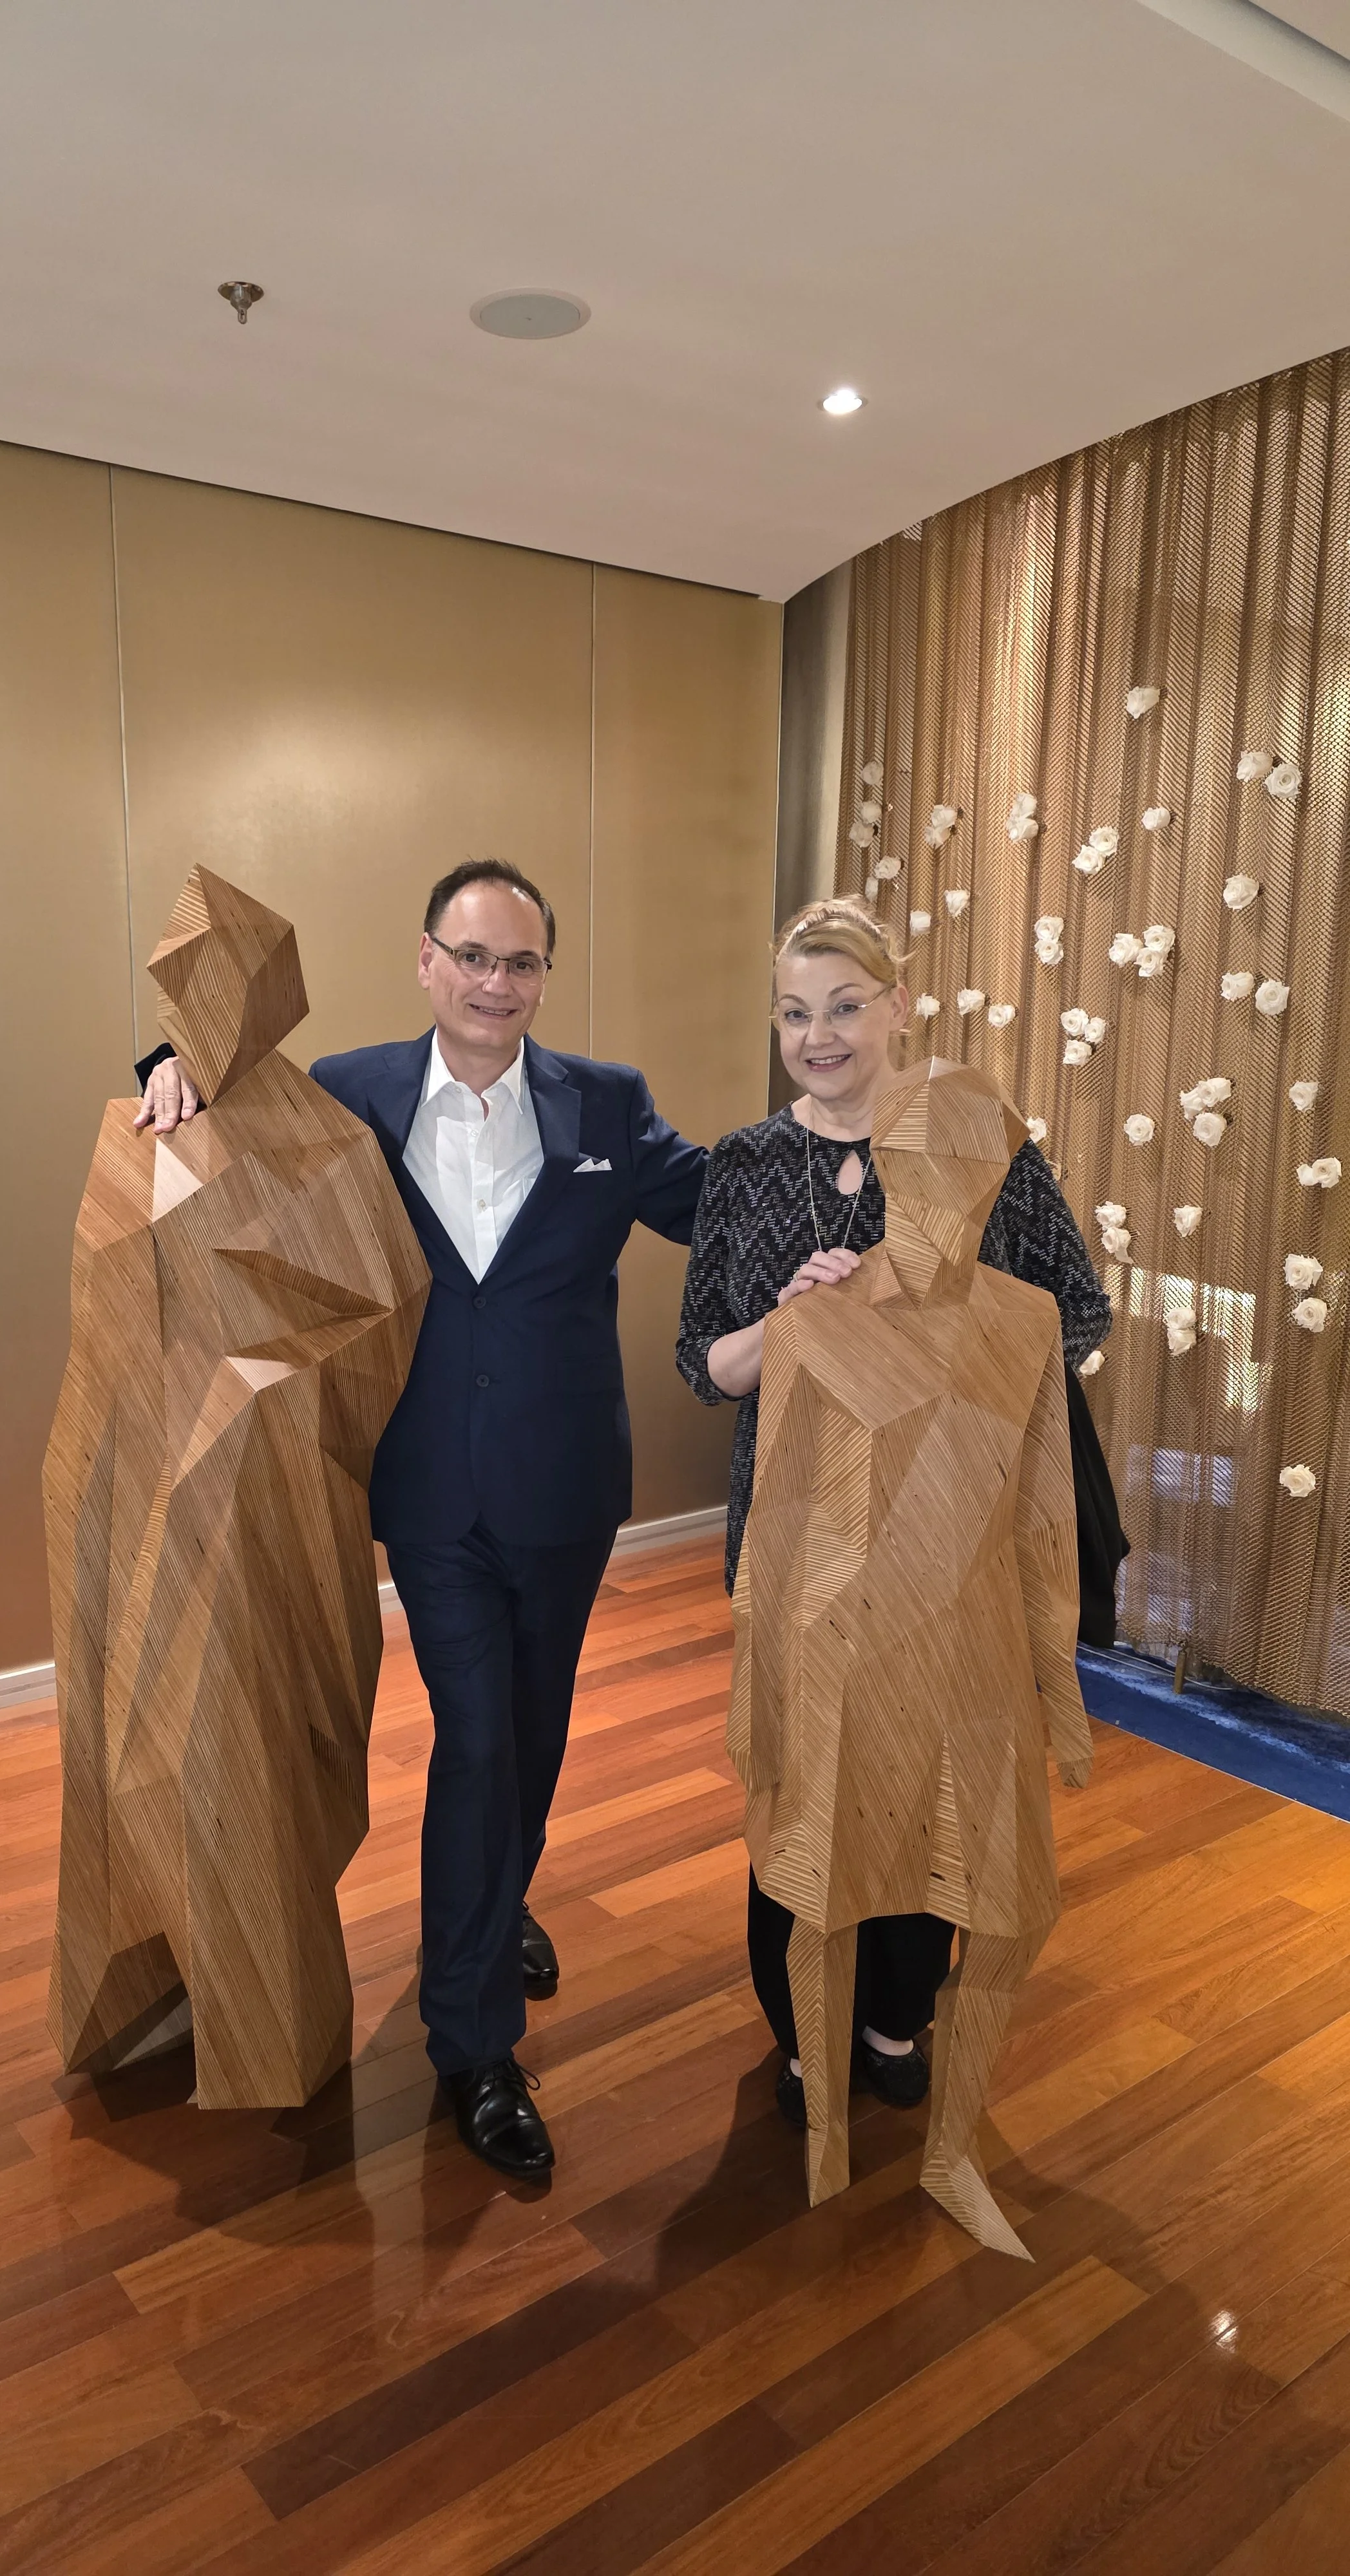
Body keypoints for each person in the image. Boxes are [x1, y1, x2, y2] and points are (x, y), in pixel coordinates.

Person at [135, 857, 706, 2176]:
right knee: (476, 1736)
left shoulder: (606, 1105)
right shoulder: (355, 1092)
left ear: (541, 977)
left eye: (520, 962)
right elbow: (234, 1075)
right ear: (426, 960)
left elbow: (715, 1202)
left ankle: (495, 1905)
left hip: (568, 1483)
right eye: (473, 955)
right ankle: (474, 2043)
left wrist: (854, 1157)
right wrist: (168, 1052)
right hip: (431, 1486)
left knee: (538, 1725)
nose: (495, 982)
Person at [675, 895, 1112, 2130]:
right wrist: (794, 1320)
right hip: (801, 1538)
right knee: (802, 1798)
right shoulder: (750, 1165)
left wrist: (950, 1316)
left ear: (899, 1006)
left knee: (929, 1792)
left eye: (846, 1007)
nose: (820, 1037)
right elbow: (701, 1361)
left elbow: (1075, 1314)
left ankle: (893, 2017)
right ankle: (804, 2032)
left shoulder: (984, 1147)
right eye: (797, 1013)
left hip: (952, 1556)